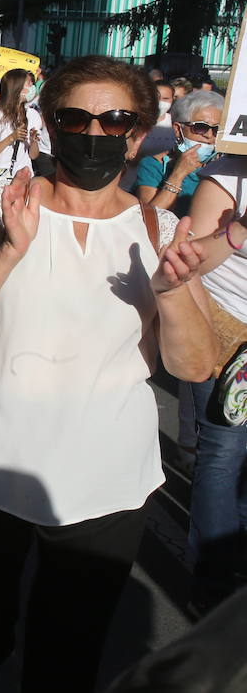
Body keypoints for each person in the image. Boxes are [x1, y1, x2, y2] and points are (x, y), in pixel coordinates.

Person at [0, 55, 216, 693]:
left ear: (139, 134)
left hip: (102, 477)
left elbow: (195, 365)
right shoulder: (0, 211)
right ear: (49, 126)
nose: (94, 134)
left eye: (115, 120)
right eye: (74, 118)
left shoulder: (156, 228)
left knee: (67, 652)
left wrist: (170, 289)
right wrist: (11, 251)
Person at [181, 154, 247, 615]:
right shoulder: (229, 171)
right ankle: (215, 583)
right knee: (223, 454)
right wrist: (239, 230)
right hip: (228, 332)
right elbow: (192, 263)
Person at [135, 90, 222, 216]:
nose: (209, 135)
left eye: (216, 129)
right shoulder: (153, 165)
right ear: (177, 129)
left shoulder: (221, 167)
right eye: (200, 127)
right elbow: (150, 218)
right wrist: (178, 175)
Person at [0, 69, 41, 196]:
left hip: (24, 176)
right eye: (28, 83)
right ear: (17, 87)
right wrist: (12, 137)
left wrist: (33, 142)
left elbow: (33, 155)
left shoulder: (32, 115)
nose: (32, 87)